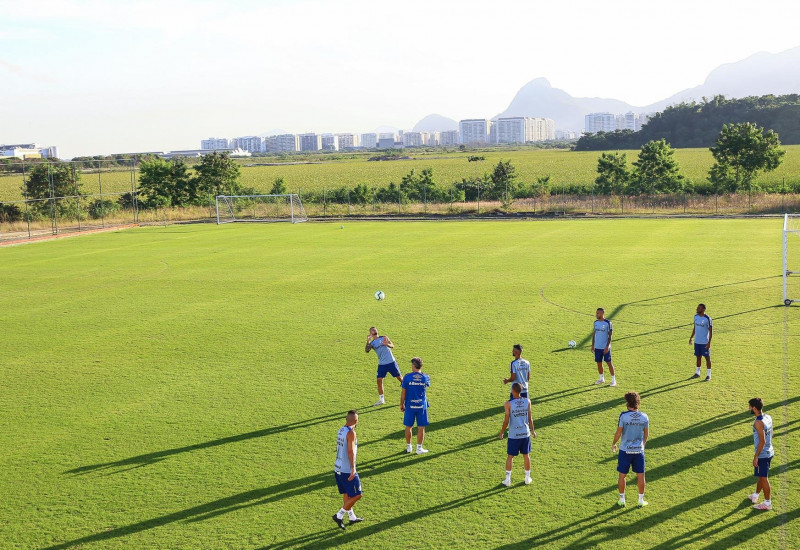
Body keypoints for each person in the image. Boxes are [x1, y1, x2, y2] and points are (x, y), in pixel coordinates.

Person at [612, 392, 649, 507]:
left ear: (628, 403)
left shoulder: (623, 416)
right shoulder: (644, 417)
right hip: (639, 451)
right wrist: (641, 445)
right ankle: (640, 500)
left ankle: (622, 500)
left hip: (625, 450)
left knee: (622, 475)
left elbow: (619, 432)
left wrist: (614, 443)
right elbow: (646, 434)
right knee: (641, 475)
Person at [498, 382, 536, 486]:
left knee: (510, 456)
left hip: (514, 434)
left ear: (513, 391)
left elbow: (506, 421)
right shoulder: (527, 401)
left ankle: (508, 480)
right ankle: (527, 478)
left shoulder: (508, 404)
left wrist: (501, 433)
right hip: (525, 433)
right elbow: (530, 418)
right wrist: (533, 431)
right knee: (526, 456)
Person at [332, 410, 363, 529]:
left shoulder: (341, 430)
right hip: (346, 469)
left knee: (347, 493)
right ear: (356, 421)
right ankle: (339, 515)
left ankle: (352, 517)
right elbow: (350, 451)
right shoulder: (351, 433)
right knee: (358, 494)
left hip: (337, 467)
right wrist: (353, 468)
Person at [748, 397, 775, 510]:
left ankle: (767, 503)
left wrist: (756, 457)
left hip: (762, 454)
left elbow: (762, 441)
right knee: (761, 475)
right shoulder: (768, 417)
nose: (749, 408)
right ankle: (755, 495)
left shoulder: (758, 423)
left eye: (750, 406)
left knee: (764, 478)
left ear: (754, 408)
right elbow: (771, 433)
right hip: (770, 451)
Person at [365, 326, 402, 406]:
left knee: (400, 379)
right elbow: (367, 350)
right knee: (379, 380)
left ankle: (408, 394)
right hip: (382, 364)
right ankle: (381, 400)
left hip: (391, 362)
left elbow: (392, 346)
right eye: (373, 330)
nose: (375, 331)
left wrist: (387, 344)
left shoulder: (384, 337)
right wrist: (368, 341)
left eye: (375, 329)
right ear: (371, 333)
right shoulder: (372, 343)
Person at [401, 357, 430, 454]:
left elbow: (403, 393)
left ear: (414, 366)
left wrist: (401, 404)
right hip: (421, 406)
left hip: (410, 406)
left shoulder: (407, 377)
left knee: (408, 426)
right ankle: (419, 448)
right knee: (421, 427)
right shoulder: (425, 377)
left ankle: (409, 447)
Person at [592, 308, 617, 387]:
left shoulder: (608, 323)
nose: (597, 315)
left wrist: (607, 346)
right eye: (596, 313)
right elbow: (594, 334)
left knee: (609, 363)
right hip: (597, 347)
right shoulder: (595, 323)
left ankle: (613, 380)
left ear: (602, 313)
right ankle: (601, 379)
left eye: (598, 313)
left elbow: (610, 336)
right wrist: (593, 346)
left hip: (605, 347)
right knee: (599, 363)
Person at [689, 303, 713, 381]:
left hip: (704, 342)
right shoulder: (695, 317)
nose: (697, 309)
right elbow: (695, 328)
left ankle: (709, 375)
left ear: (703, 309)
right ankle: (697, 373)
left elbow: (711, 331)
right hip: (697, 342)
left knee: (707, 358)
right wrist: (691, 338)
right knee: (698, 357)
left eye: (699, 308)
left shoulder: (707, 319)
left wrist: (709, 342)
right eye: (697, 308)